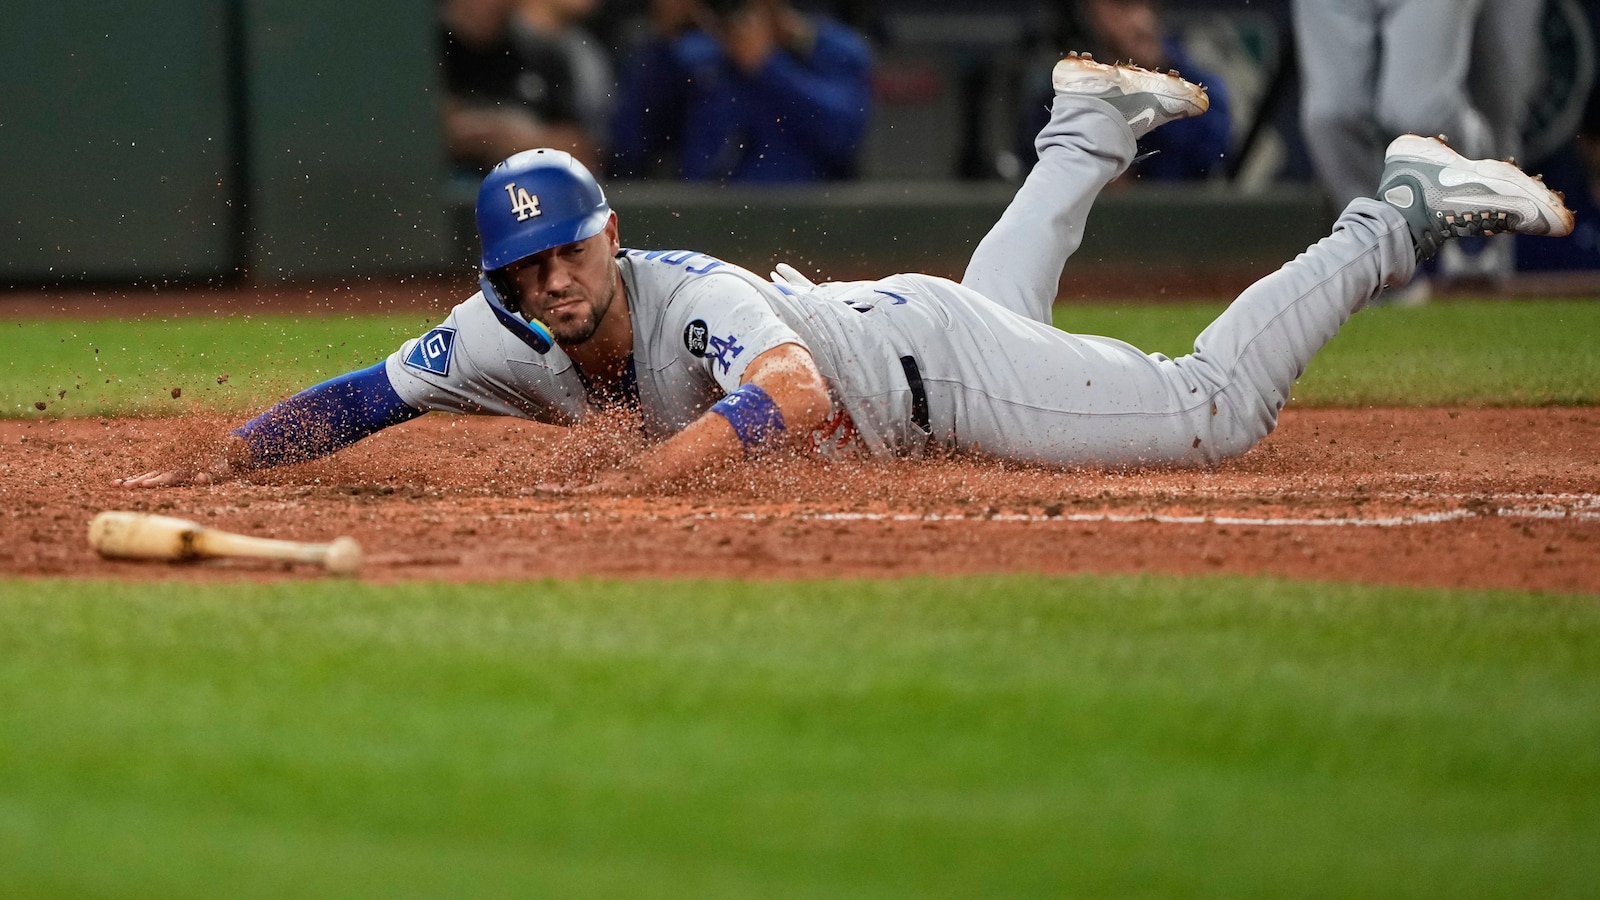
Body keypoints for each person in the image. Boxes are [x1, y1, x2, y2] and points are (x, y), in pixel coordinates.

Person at [115, 55, 1574, 492]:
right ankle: (1086, 128)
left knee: (1210, 411)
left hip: (930, 370)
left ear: (608, 235)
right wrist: (230, 460)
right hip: (918, 326)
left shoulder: (685, 296)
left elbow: (795, 393)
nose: (554, 277)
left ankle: (1397, 212)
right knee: (998, 307)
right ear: (500, 278)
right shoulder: (502, 335)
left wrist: (640, 486)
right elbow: (364, 399)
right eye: (525, 263)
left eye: (570, 246)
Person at [607, 0, 873, 182]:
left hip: (808, 215)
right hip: (707, 219)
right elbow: (631, 144)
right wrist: (665, 38)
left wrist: (767, 66)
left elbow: (843, 136)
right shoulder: (691, 56)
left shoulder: (831, 48)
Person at [1015, 0, 1232, 181]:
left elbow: (1207, 155)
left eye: (1144, 4)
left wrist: (1153, 80)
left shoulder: (1193, 83)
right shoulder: (1063, 83)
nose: (1138, 18)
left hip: (1176, 222)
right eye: (1121, 5)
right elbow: (1045, 164)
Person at [440, 0, 611, 174]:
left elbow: (583, 154)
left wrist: (516, 140)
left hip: (525, 193)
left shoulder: (541, 55)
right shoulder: (427, 53)